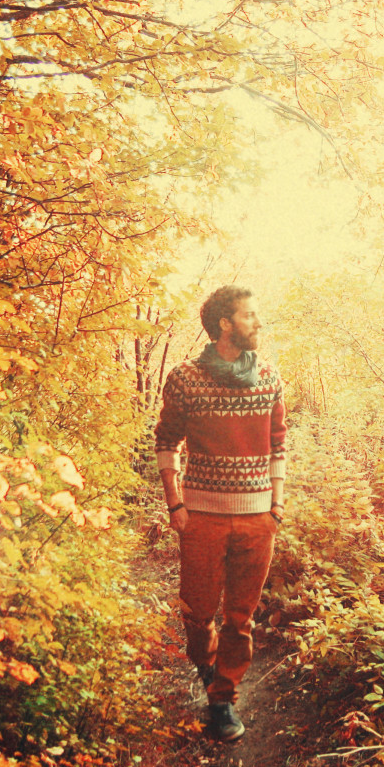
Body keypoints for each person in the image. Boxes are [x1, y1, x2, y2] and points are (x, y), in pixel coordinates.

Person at [154, 285, 287, 741]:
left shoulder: (269, 378)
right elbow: (167, 441)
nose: (258, 323)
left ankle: (223, 700)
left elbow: (278, 445)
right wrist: (175, 503)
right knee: (198, 613)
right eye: (250, 315)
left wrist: (276, 505)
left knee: (240, 618)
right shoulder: (185, 379)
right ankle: (207, 666)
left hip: (257, 518)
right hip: (202, 517)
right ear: (225, 324)